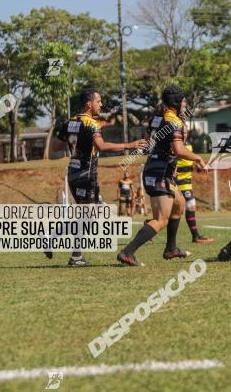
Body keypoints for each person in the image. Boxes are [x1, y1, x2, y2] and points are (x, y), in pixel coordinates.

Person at [48, 88, 146, 266]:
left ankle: (68, 250)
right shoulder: (91, 124)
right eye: (99, 101)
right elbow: (101, 146)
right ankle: (59, 243)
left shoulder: (70, 122)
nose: (101, 104)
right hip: (86, 174)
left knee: (85, 216)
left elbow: (54, 146)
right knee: (88, 216)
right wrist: (130, 145)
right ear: (89, 104)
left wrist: (70, 140)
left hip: (72, 172)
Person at [117, 86, 210, 267]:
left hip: (157, 170)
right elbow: (178, 149)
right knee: (160, 220)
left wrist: (167, 158)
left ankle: (171, 249)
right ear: (176, 103)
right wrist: (198, 158)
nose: (185, 105)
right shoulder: (174, 122)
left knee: (180, 204)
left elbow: (149, 141)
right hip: (159, 174)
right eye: (183, 101)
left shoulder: (156, 119)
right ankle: (127, 252)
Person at [175, 144, 213, 244]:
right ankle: (195, 236)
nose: (185, 134)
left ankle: (150, 223)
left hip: (187, 182)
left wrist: (197, 166)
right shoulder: (174, 145)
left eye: (186, 132)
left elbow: (189, 161)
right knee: (187, 206)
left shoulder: (189, 147)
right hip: (177, 181)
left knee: (183, 207)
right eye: (183, 131)